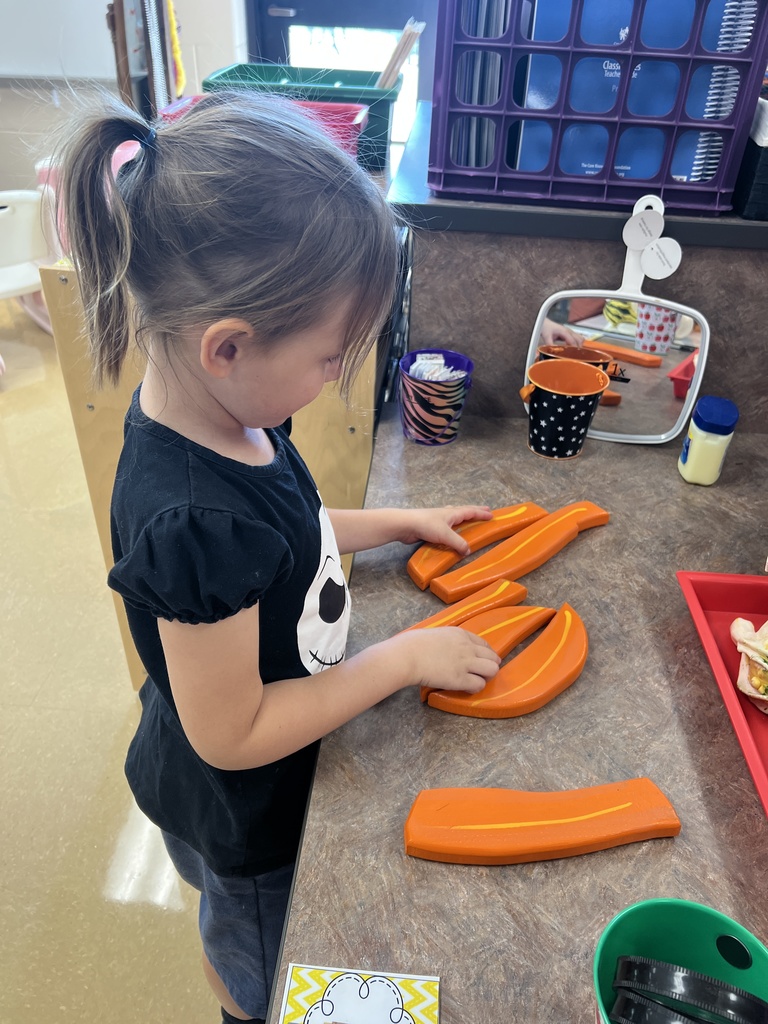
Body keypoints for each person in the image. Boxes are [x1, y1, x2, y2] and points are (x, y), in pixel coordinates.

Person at [54, 92, 500, 1024]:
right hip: (246, 811)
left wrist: (391, 521)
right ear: (229, 346)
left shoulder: (232, 417)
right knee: (266, 974)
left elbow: (285, 526)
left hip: (257, 750)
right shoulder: (187, 519)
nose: (337, 379)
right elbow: (232, 731)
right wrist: (403, 658)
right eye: (330, 358)